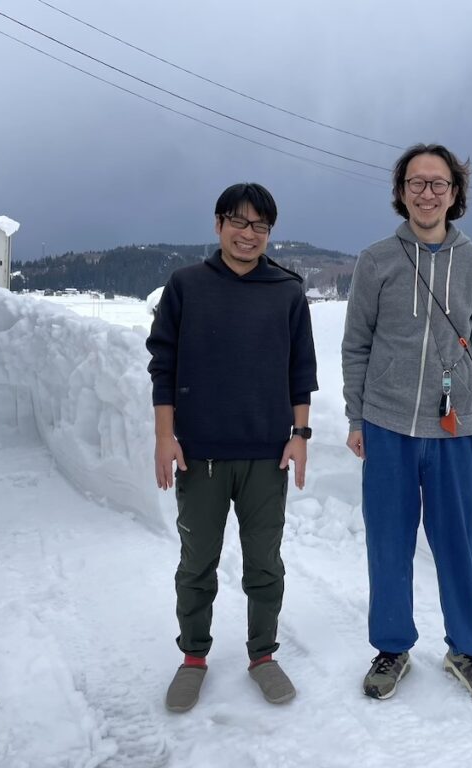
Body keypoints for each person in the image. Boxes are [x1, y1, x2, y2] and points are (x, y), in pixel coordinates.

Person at [341, 144, 472, 705]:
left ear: (455, 193)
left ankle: (467, 649)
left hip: (456, 431)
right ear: (401, 191)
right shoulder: (376, 261)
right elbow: (356, 345)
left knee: (457, 545)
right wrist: (356, 417)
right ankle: (392, 647)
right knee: (389, 544)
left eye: (438, 183)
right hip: (387, 425)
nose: (427, 193)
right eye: (416, 182)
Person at [146, 182, 318, 713]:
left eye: (260, 225)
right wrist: (164, 437)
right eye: (238, 222)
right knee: (197, 563)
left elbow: (301, 372)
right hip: (200, 454)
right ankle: (193, 657)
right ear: (218, 224)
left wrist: (300, 436)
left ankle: (263, 655)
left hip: (266, 454)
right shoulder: (186, 286)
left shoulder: (287, 291)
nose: (249, 234)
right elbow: (163, 367)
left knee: (264, 563)